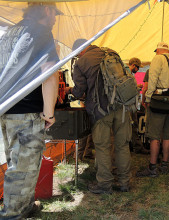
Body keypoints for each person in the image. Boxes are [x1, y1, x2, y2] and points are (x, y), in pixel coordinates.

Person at [0, 2, 61, 219]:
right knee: (23, 168)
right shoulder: (41, 31)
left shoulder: (9, 32)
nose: (55, 18)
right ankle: (12, 214)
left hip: (7, 109)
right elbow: (50, 73)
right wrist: (49, 112)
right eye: (55, 13)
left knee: (17, 163)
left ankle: (24, 206)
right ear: (46, 10)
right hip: (27, 111)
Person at [67, 39, 132, 193]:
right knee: (122, 145)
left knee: (102, 147)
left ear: (80, 50)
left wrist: (69, 91)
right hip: (122, 105)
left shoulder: (82, 62)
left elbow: (79, 91)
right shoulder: (111, 52)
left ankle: (104, 185)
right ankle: (124, 182)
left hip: (101, 109)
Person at [136, 42, 169, 177]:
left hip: (158, 104)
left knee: (154, 136)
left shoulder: (158, 59)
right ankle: (165, 165)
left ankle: (152, 167)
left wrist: (148, 99)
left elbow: (153, 80)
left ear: (158, 50)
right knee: (168, 136)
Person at [126, 58, 149, 154]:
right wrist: (136, 88)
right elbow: (126, 89)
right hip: (129, 104)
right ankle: (137, 147)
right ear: (134, 65)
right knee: (132, 125)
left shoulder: (127, 73)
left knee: (132, 125)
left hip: (130, 103)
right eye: (138, 67)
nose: (138, 70)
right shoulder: (127, 74)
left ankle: (136, 146)